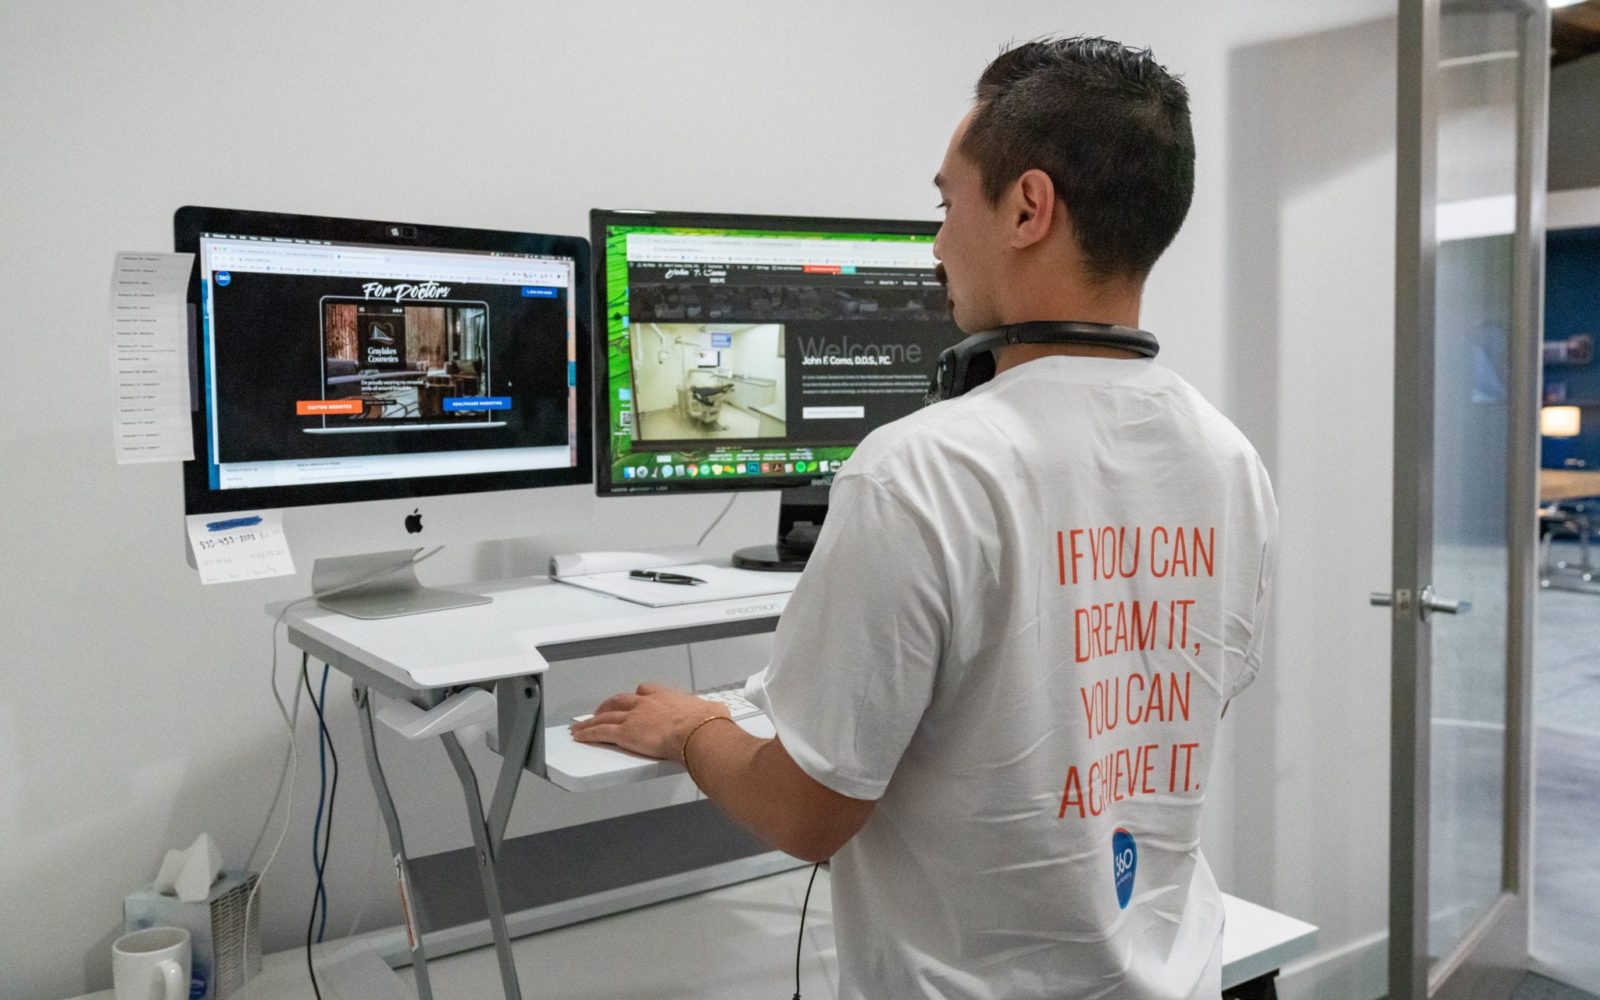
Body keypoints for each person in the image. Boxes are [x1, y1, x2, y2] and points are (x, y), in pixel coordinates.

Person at [572, 35, 1279, 1000]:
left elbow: (807, 815)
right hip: (1174, 973)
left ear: (1027, 208)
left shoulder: (920, 468)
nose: (937, 243)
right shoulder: (1228, 457)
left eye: (946, 205)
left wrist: (693, 728)